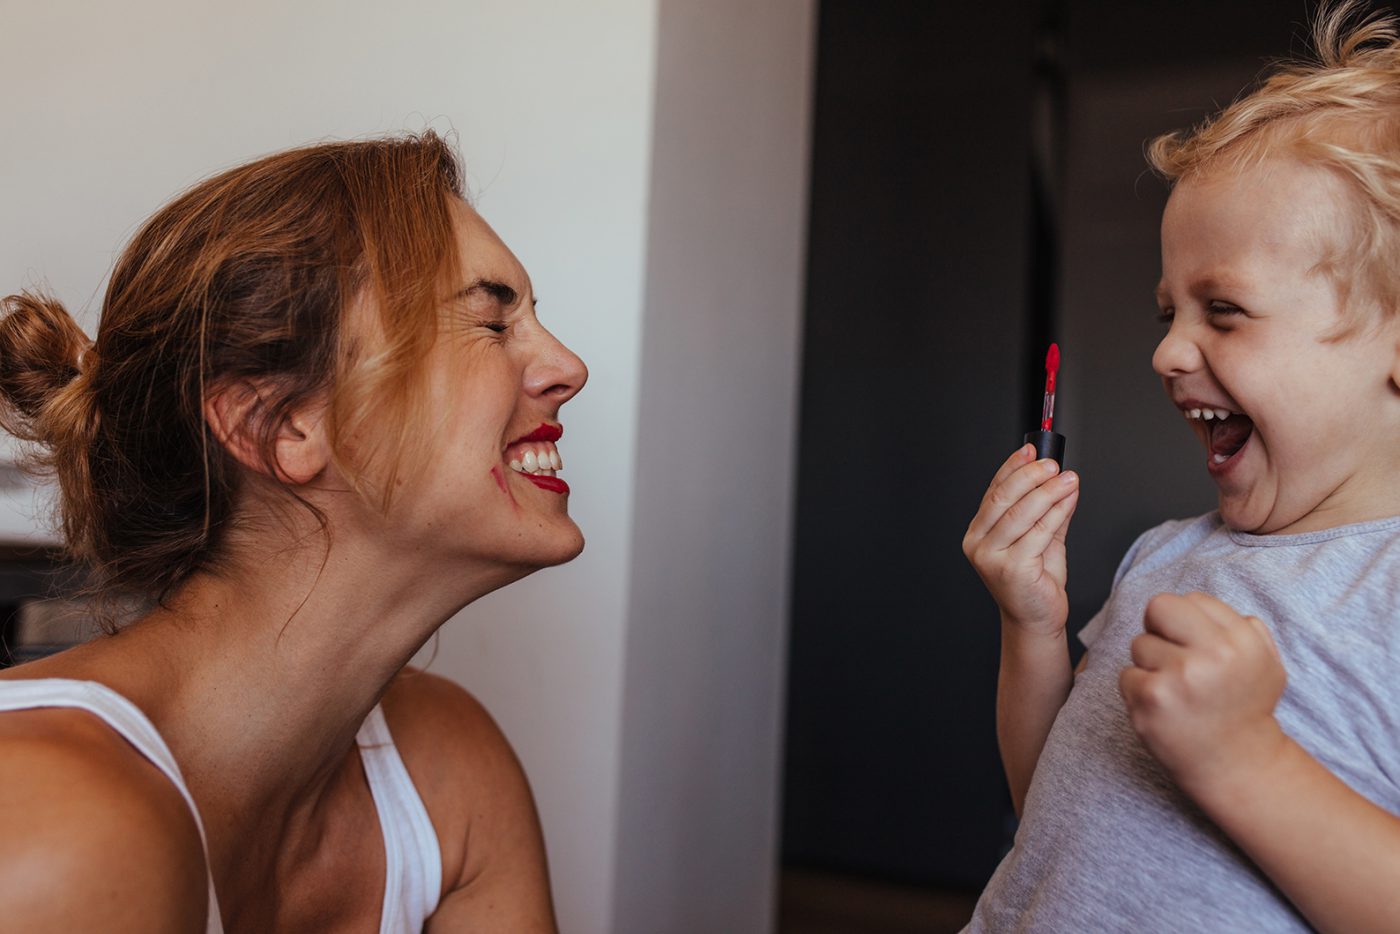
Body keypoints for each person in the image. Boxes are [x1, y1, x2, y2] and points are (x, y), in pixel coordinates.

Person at [0, 132, 586, 932]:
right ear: (279, 427)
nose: (568, 368)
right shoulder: (52, 826)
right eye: (490, 322)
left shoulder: (449, 769)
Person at [961, 3, 1400, 930]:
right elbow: (1055, 806)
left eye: (1225, 310)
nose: (1167, 352)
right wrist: (1032, 626)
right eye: (1171, 313)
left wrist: (1246, 759)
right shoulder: (1163, 555)